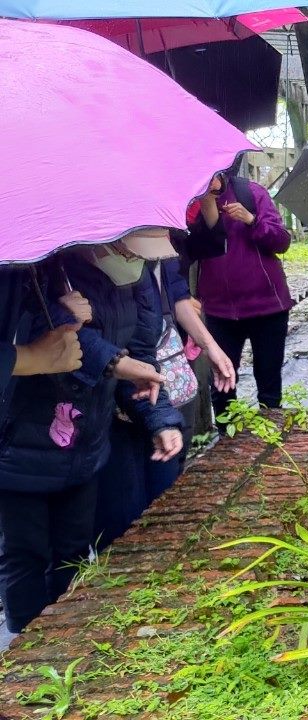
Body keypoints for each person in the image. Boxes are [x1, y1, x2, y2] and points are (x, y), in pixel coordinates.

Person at [0, 230, 183, 635]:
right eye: (124, 249)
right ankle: (24, 654)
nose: (132, 260)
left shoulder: (135, 282)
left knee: (74, 550)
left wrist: (160, 419)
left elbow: (141, 360)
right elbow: (33, 334)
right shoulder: (41, 266)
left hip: (87, 442)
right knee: (24, 554)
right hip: (23, 445)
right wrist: (67, 318)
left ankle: (67, 638)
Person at [92, 258, 237, 549]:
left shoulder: (161, 251)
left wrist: (211, 348)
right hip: (112, 396)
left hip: (160, 387)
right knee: (124, 513)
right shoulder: (92, 260)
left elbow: (177, 298)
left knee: (165, 496)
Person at [194, 173, 293, 422]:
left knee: (269, 381)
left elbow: (281, 242)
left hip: (267, 306)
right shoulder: (190, 199)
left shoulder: (251, 192)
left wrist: (251, 220)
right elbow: (191, 248)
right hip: (220, 310)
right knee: (222, 382)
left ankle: (270, 437)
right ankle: (228, 443)